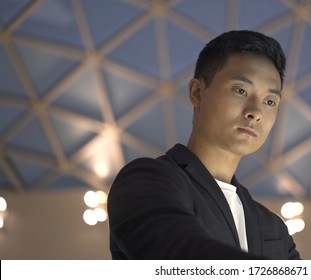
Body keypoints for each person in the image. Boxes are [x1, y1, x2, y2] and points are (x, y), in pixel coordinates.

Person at [107, 30, 300, 260]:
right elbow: (183, 253)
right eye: (241, 90)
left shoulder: (273, 227)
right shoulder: (147, 180)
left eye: (270, 101)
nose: (255, 112)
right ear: (197, 92)